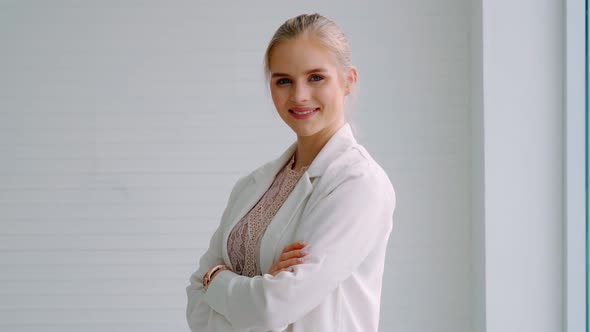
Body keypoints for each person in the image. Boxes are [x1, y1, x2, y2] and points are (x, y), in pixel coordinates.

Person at [186, 13, 396, 332]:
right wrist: (258, 287)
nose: (298, 96)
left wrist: (217, 280)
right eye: (283, 80)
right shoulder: (251, 186)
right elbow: (196, 308)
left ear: (349, 80)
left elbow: (272, 308)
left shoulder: (359, 184)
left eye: (316, 78)